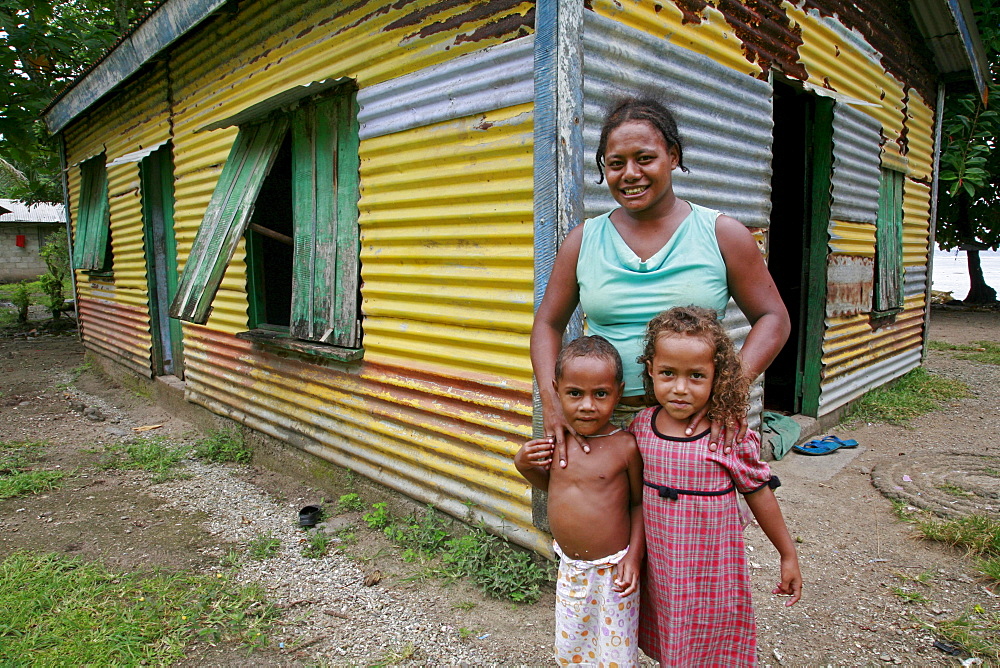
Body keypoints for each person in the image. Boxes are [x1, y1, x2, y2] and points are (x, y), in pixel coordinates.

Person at [530, 95, 790, 467]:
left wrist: (730, 390)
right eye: (616, 164)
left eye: (645, 158)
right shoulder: (583, 240)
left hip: (691, 417)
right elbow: (547, 323)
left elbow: (773, 318)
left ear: (674, 156)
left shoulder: (722, 234)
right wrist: (550, 397)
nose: (630, 174)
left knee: (684, 521)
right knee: (596, 521)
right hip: (601, 418)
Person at [632, 306, 801, 665]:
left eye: (696, 376)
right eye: (667, 373)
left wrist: (787, 554)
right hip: (663, 570)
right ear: (650, 370)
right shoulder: (642, 427)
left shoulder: (727, 436)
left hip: (714, 569)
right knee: (673, 637)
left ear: (717, 376)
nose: (680, 388)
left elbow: (759, 492)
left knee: (716, 640)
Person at [514, 336, 645, 666]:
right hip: (571, 568)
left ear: (618, 391)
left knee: (614, 651)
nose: (588, 405)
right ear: (557, 391)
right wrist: (523, 466)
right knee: (573, 644)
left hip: (613, 571)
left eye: (600, 394)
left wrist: (634, 557)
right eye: (575, 394)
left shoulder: (624, 447)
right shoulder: (558, 442)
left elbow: (638, 504)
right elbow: (554, 489)